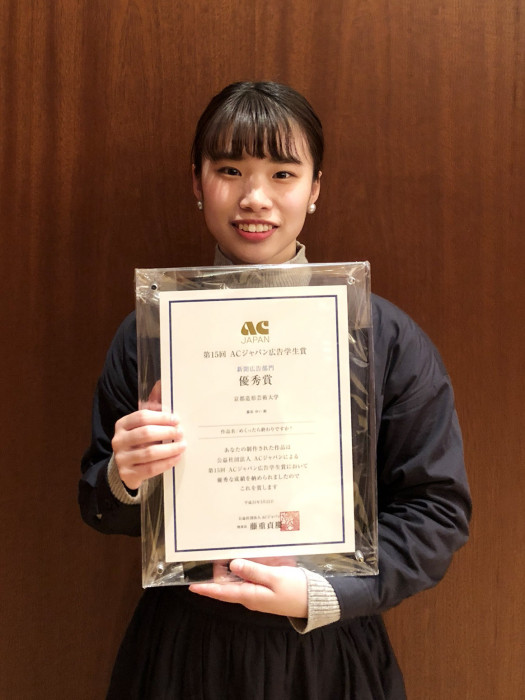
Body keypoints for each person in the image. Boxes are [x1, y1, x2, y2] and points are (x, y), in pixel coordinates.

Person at [79, 81, 471, 699]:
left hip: (329, 651)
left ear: (314, 189)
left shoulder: (381, 336)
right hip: (185, 647)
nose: (254, 198)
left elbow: (437, 513)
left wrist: (322, 592)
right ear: (196, 181)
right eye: (229, 170)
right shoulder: (151, 333)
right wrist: (125, 477)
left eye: (283, 174)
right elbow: (98, 502)